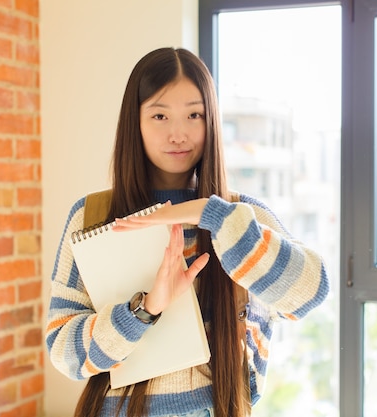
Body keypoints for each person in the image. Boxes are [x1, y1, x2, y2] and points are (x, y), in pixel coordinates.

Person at [46, 47, 329, 417]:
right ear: (135, 122)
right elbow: (64, 353)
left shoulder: (240, 217)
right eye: (160, 115)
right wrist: (144, 310)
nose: (177, 134)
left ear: (211, 120)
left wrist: (213, 214)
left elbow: (309, 293)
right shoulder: (94, 217)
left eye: (194, 114)